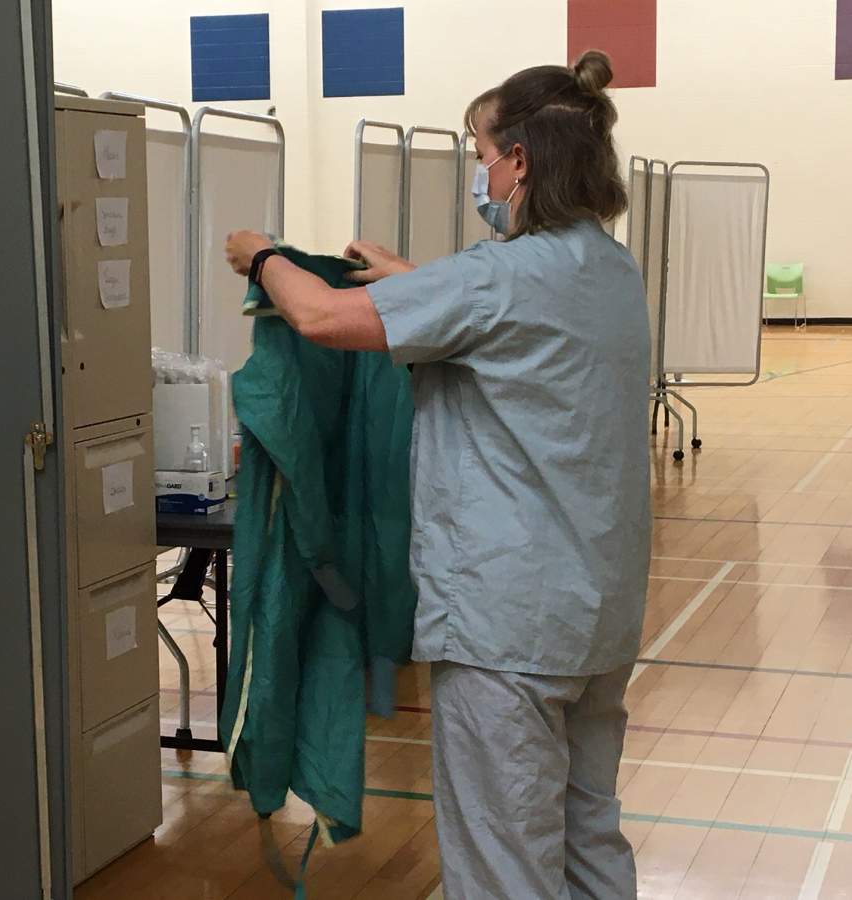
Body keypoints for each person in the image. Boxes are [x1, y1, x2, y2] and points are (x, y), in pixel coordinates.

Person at [224, 49, 651, 900]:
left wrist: (264, 255)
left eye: (480, 154)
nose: (478, 174)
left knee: (502, 861)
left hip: (509, 628)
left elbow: (317, 316)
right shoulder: (607, 269)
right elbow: (506, 322)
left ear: (519, 161)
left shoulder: (497, 278)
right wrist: (415, 281)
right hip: (595, 615)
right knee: (585, 837)